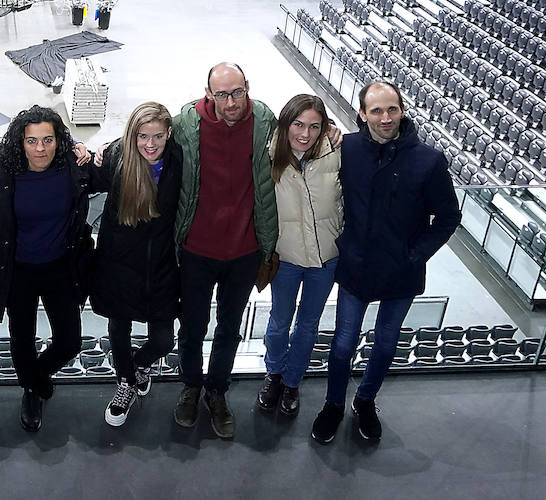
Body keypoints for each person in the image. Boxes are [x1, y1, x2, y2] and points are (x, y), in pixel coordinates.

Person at [311, 80, 461, 445]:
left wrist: (414, 255)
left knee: (386, 344)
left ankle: (365, 401)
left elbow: (447, 218)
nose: (385, 118)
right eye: (376, 110)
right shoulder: (346, 147)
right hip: (357, 265)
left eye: (392, 109)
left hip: (401, 272)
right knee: (343, 343)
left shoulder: (429, 160)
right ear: (362, 114)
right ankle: (333, 404)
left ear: (402, 110)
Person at [168, 62, 277, 440]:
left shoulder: (264, 119)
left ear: (248, 86)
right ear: (208, 93)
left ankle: (217, 391)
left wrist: (331, 132)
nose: (231, 102)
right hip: (197, 248)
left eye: (237, 92)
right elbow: (146, 140)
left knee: (230, 328)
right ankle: (191, 387)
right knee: (193, 327)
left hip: (244, 250)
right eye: (222, 94)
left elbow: (301, 138)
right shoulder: (187, 124)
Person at [0, 105, 94, 433]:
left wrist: (89, 150)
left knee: (70, 340)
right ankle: (31, 391)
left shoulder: (73, 168)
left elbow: (114, 159)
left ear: (60, 141)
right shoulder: (2, 171)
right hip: (17, 269)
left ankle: (36, 377)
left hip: (60, 265)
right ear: (20, 142)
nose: (40, 148)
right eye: (31, 141)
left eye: (47, 140)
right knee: (22, 338)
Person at [88, 102, 183, 427]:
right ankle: (127, 380)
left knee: (163, 340)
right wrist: (82, 149)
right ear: (132, 135)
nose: (151, 144)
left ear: (169, 134)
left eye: (158, 136)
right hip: (119, 265)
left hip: (160, 266)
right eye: (143, 136)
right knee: (119, 328)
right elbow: (82, 177)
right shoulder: (115, 158)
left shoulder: (179, 161)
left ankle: (137, 368)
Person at [258, 94, 343, 420]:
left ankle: (292, 382)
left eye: (314, 126)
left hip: (326, 258)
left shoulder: (337, 152)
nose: (305, 134)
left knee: (308, 325)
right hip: (287, 257)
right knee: (279, 323)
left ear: (324, 128)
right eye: (298, 124)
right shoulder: (268, 154)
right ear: (285, 123)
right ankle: (274, 374)